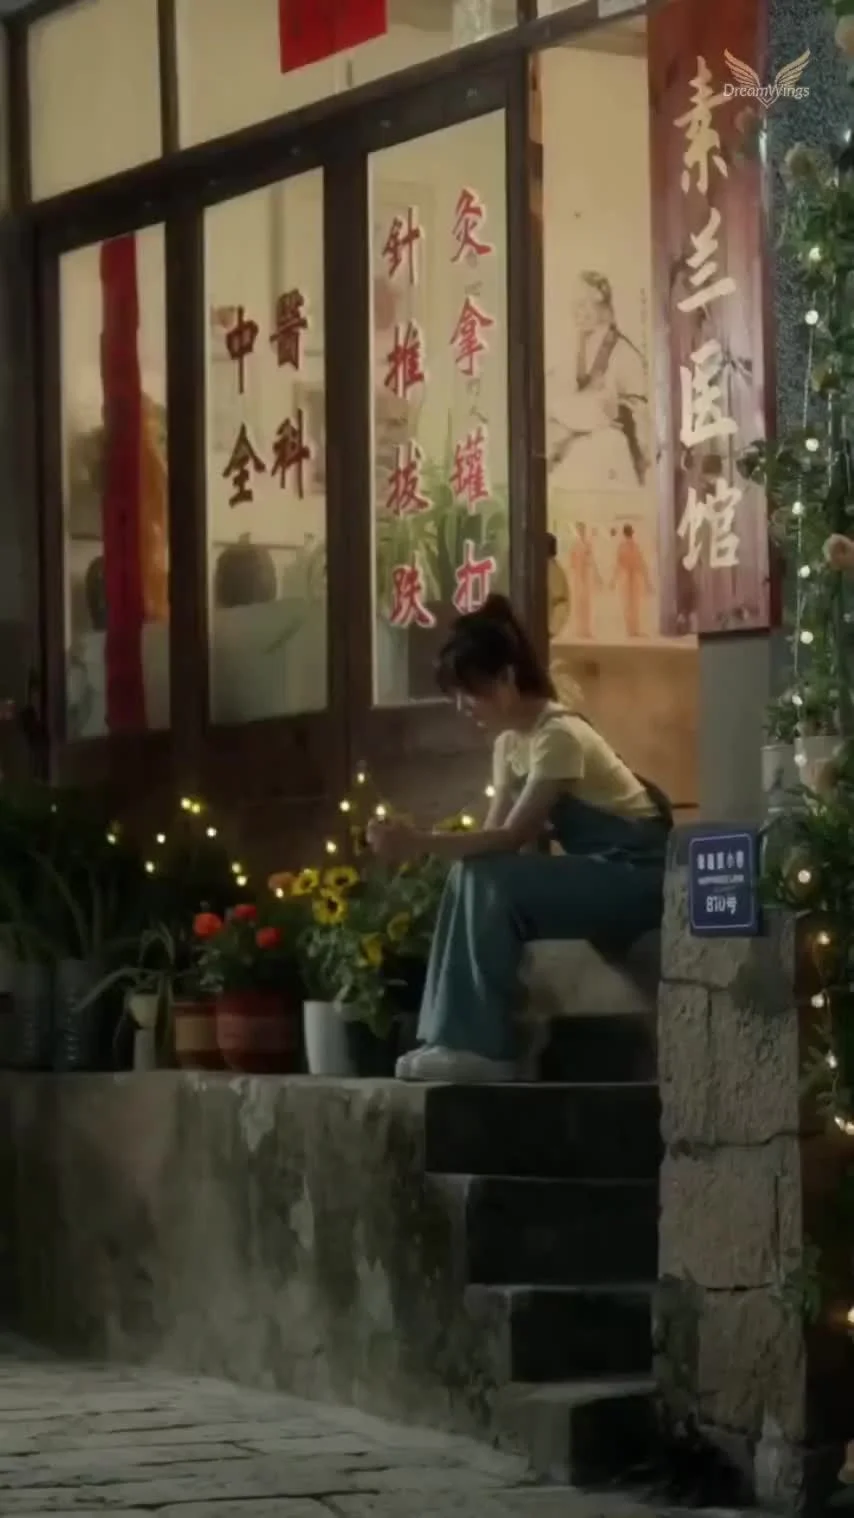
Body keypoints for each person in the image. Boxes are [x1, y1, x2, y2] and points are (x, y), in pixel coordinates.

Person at [367, 595, 670, 1084]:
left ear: (507, 678)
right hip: (596, 874)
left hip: (636, 878)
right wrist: (420, 840)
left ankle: (486, 1048)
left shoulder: (559, 735)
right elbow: (493, 844)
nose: (463, 707)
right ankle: (450, 1037)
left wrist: (418, 841)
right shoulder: (511, 743)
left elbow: (511, 837)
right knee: (473, 873)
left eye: (471, 692)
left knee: (488, 877)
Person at [547, 271, 650, 494]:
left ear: (604, 307)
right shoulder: (575, 348)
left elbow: (640, 418)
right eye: (575, 305)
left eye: (584, 304)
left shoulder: (625, 355)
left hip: (612, 448)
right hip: (575, 442)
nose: (577, 312)